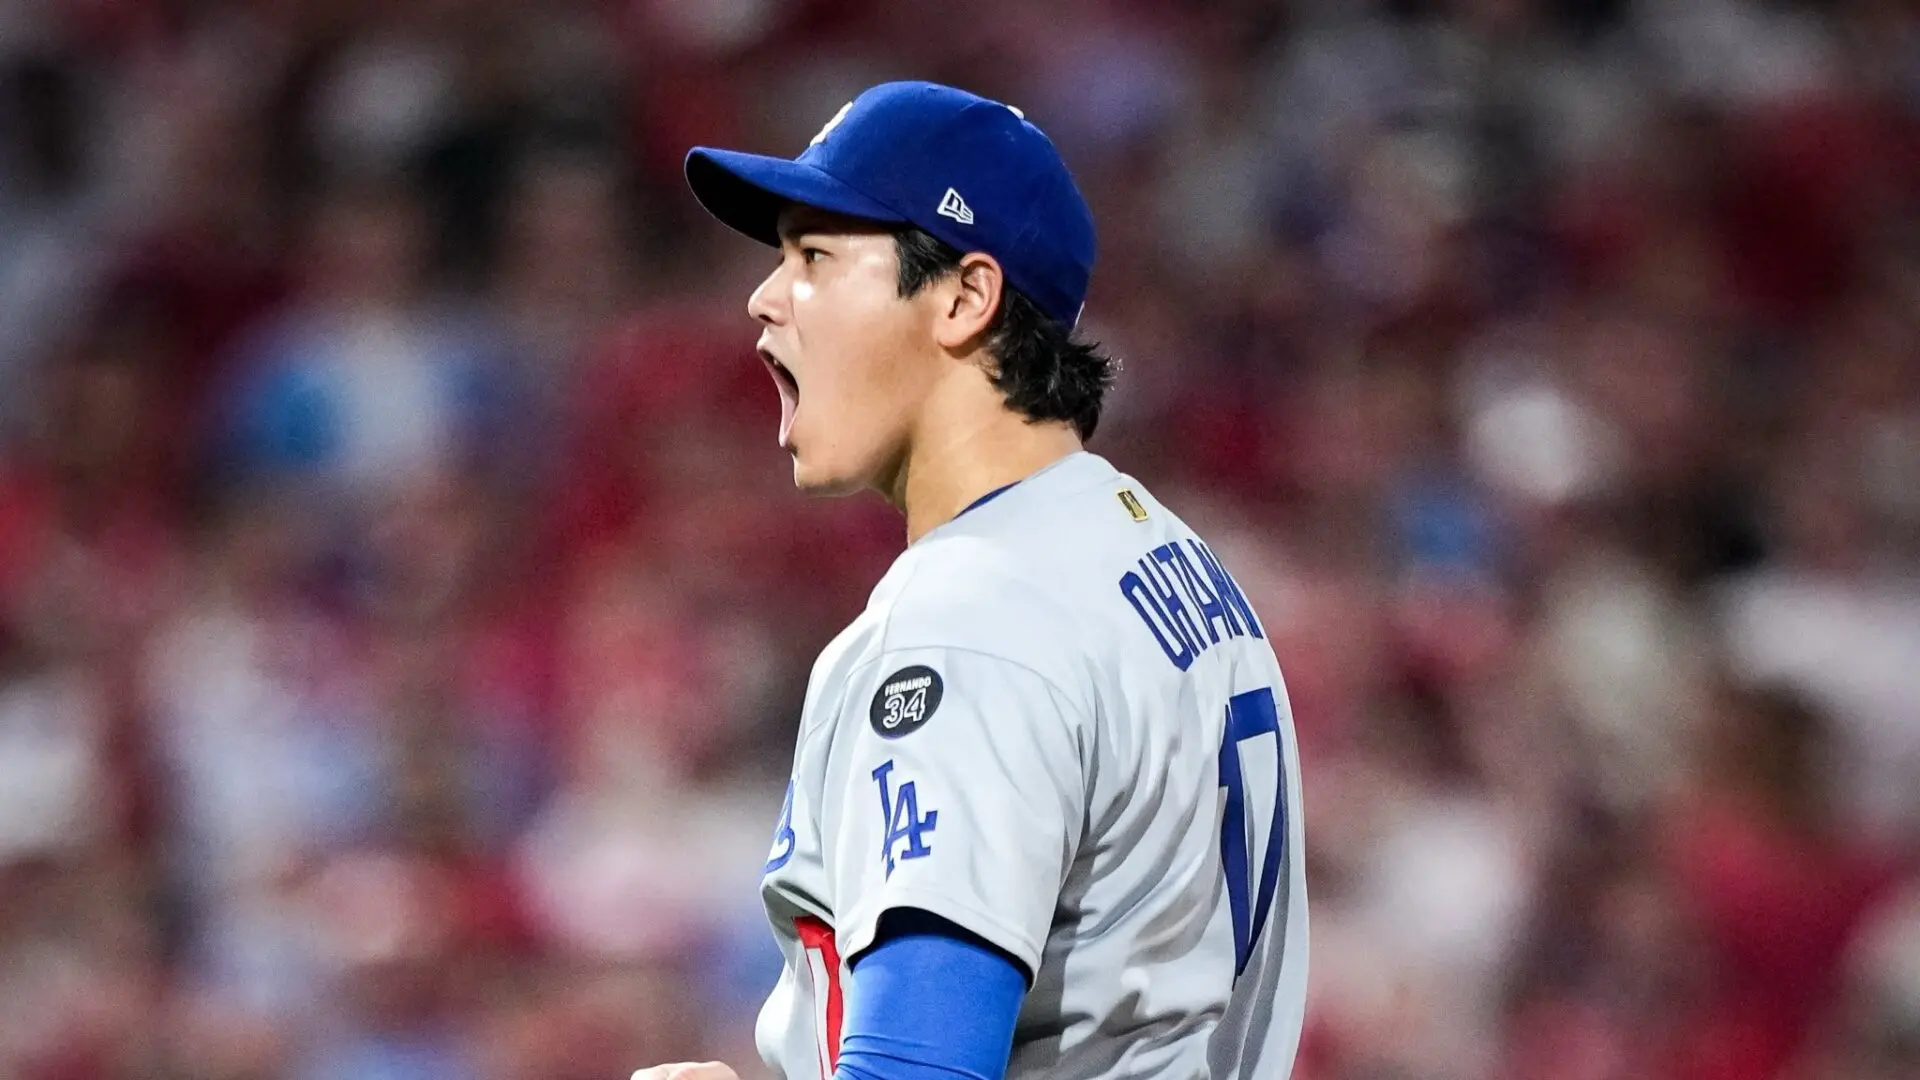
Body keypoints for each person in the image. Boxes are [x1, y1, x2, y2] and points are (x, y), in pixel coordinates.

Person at [633, 81, 1307, 1080]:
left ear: (963, 297)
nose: (764, 298)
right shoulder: (1163, 557)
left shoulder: (971, 616)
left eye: (815, 256)